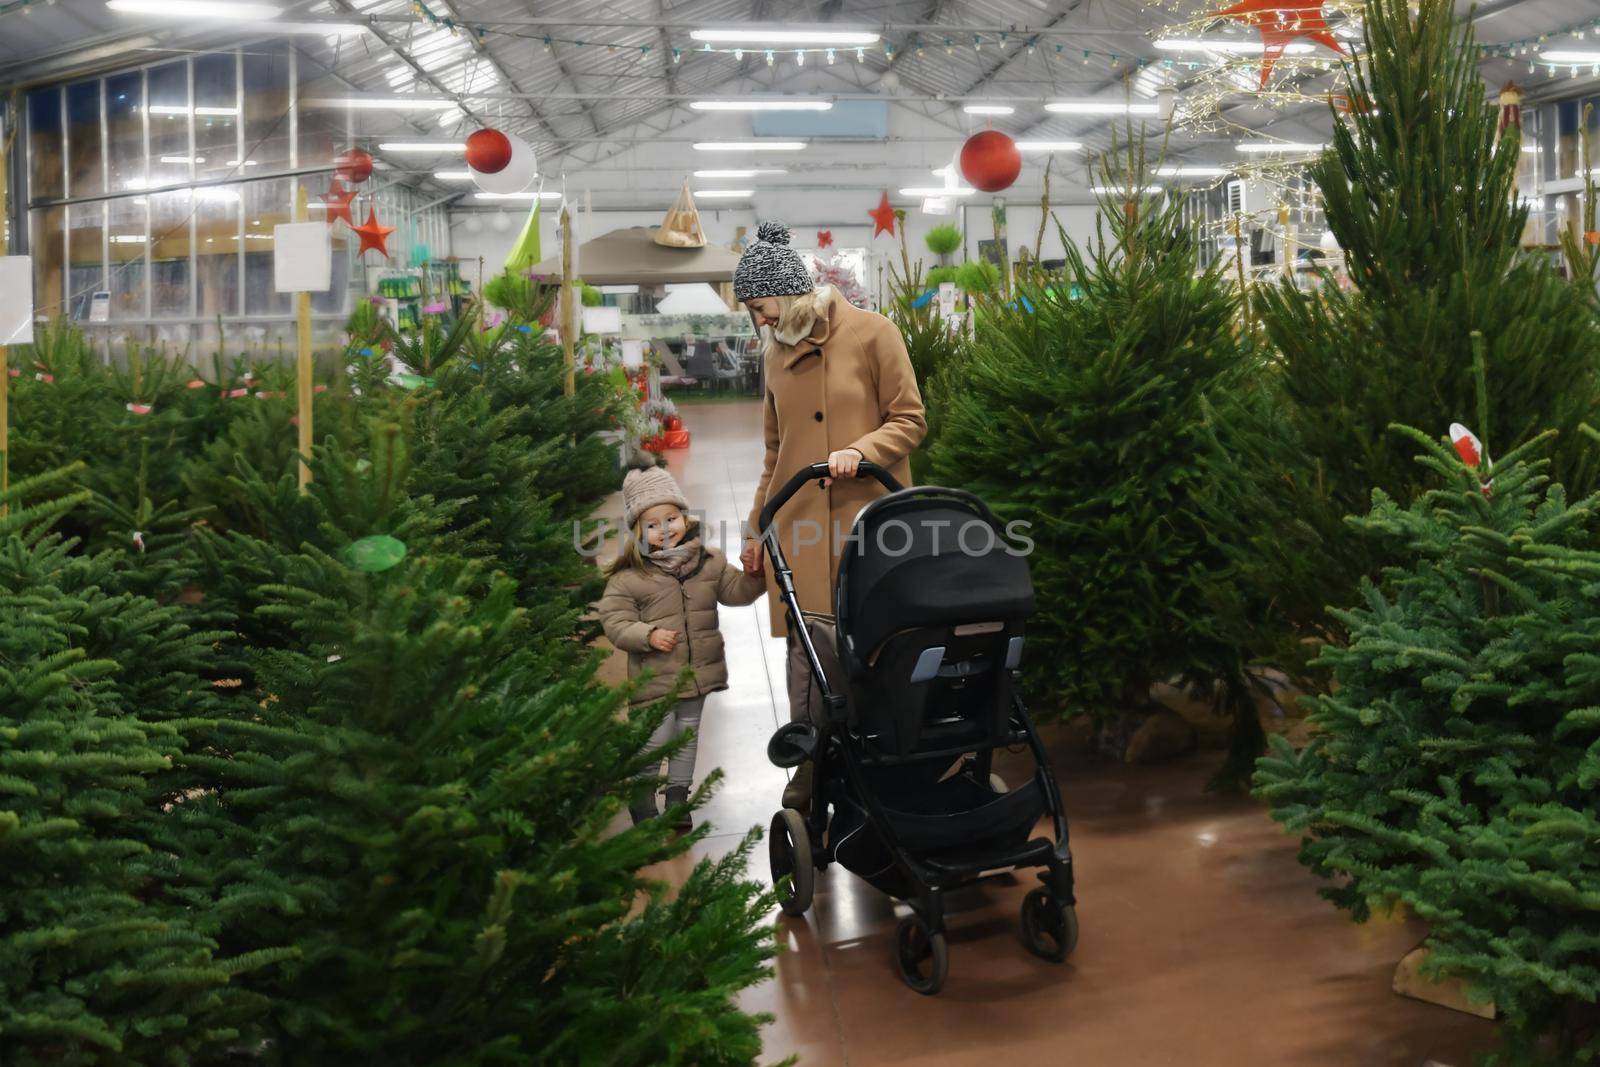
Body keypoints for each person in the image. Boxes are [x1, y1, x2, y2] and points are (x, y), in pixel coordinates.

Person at [734, 220, 927, 809]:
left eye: (761, 307)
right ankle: (813, 767)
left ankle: (889, 763)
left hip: (869, 522)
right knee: (806, 654)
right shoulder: (774, 357)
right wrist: (756, 528)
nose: (758, 322)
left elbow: (910, 420)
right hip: (798, 524)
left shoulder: (874, 334)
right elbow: (775, 451)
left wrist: (860, 451)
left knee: (874, 643)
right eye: (750, 313)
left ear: (789, 292)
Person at [598, 467, 766, 829]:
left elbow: (735, 593)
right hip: (654, 679)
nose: (665, 529)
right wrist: (647, 634)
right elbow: (614, 621)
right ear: (638, 532)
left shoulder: (709, 562)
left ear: (684, 517)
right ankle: (642, 799)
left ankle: (678, 798)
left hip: (697, 673)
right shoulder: (630, 578)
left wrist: (756, 576)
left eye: (671, 518)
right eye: (653, 524)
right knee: (654, 741)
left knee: (686, 737)